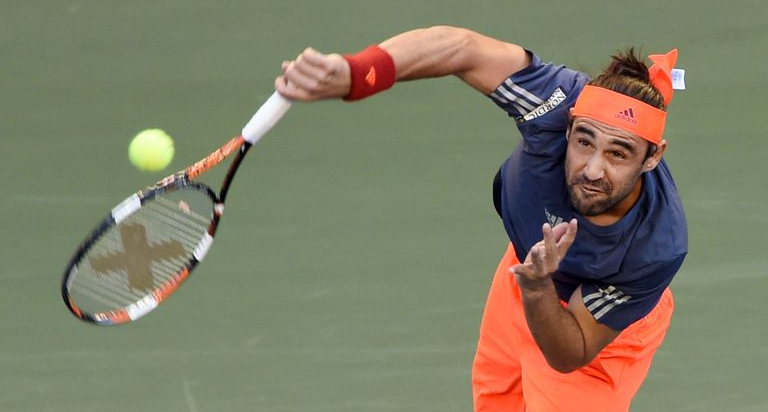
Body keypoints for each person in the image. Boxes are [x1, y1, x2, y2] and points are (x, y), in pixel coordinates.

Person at [275, 26, 687, 412]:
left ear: (653, 156)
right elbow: (462, 48)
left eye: (618, 153)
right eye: (585, 142)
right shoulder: (557, 102)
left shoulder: (655, 248)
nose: (593, 169)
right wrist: (359, 72)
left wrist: (539, 286)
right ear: (568, 129)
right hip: (529, 269)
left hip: (601, 321)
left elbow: (571, 353)